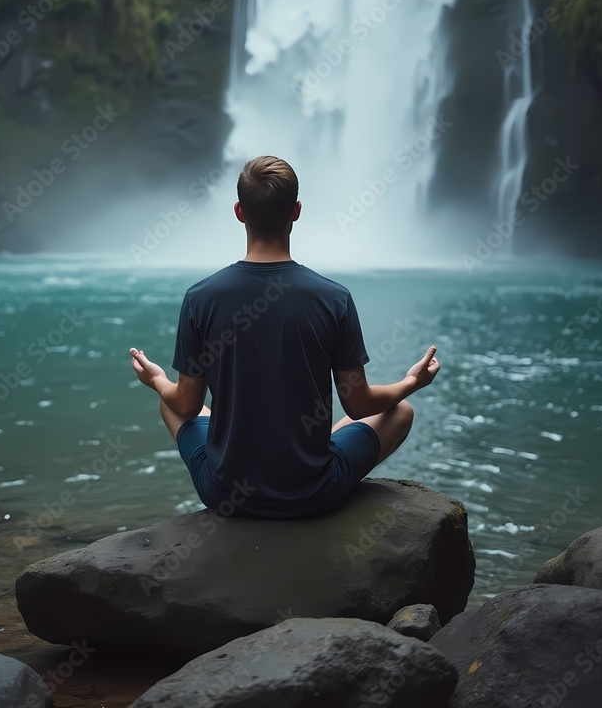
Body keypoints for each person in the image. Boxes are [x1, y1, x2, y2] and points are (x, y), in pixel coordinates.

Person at [129, 155, 439, 519]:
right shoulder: (333, 299)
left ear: (238, 211)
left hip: (225, 492)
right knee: (399, 411)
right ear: (296, 211)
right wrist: (411, 382)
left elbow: (187, 405)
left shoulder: (201, 298)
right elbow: (358, 404)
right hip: (314, 493)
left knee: (169, 398)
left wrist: (156, 381)